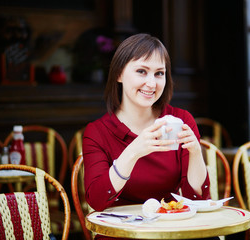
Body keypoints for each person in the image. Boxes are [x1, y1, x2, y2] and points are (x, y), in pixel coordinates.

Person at [83, 33, 217, 240]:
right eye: (141, 71)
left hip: (170, 229)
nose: (151, 83)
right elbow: (98, 200)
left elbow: (196, 198)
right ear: (119, 74)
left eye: (159, 73)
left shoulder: (179, 120)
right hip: (123, 233)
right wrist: (134, 151)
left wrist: (196, 153)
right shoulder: (98, 132)